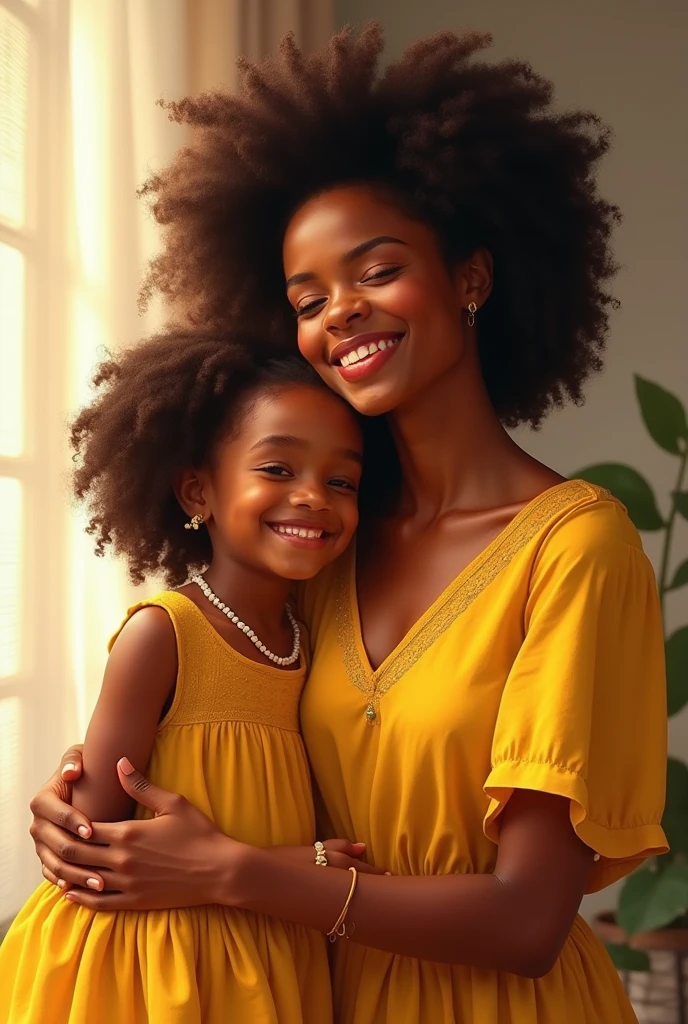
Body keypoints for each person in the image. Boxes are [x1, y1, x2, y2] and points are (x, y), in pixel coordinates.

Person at [27, 25, 667, 1024]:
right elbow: (212, 722)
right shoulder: (319, 546)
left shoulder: (574, 548)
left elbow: (525, 921)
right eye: (307, 296)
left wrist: (232, 874)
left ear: (470, 277)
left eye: (376, 270)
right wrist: (85, 806)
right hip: (306, 994)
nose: (341, 315)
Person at [0, 329, 375, 1023]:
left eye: (341, 480)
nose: (314, 497)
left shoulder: (314, 642)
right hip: (147, 968)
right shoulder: (162, 634)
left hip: (269, 954)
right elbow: (91, 855)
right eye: (278, 470)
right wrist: (304, 861)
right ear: (198, 491)